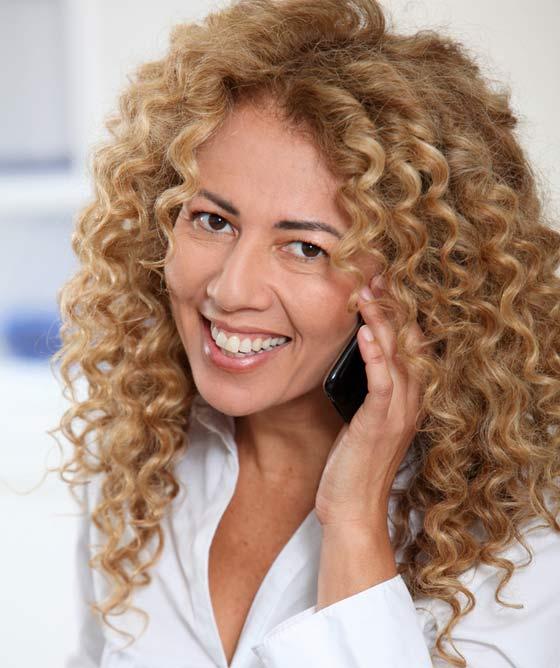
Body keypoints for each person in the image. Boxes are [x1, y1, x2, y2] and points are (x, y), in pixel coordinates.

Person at [52, 0, 560, 666]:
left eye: (307, 248)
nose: (230, 291)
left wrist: (354, 521)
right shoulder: (140, 456)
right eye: (211, 221)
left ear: (419, 278)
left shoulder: (519, 535)